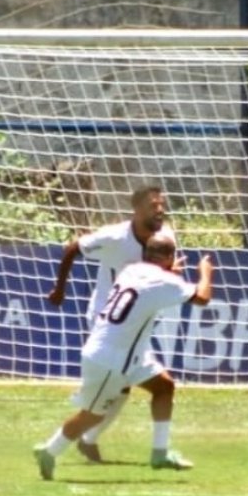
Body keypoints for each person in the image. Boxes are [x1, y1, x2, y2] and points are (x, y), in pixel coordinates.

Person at [34, 234, 213, 481]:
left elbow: (151, 285)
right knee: (93, 415)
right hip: (111, 358)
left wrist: (168, 271)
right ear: (170, 257)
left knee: (164, 387)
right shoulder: (164, 281)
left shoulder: (131, 270)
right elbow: (202, 298)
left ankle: (160, 454)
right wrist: (205, 272)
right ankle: (49, 451)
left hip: (128, 354)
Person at [47, 185, 178, 462]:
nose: (160, 210)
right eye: (153, 205)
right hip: (106, 318)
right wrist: (60, 289)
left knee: (125, 387)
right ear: (137, 209)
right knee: (130, 385)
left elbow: (165, 271)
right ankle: (67, 444)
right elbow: (73, 249)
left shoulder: (165, 237)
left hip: (136, 321)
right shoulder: (114, 236)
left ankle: (80, 442)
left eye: (162, 204)